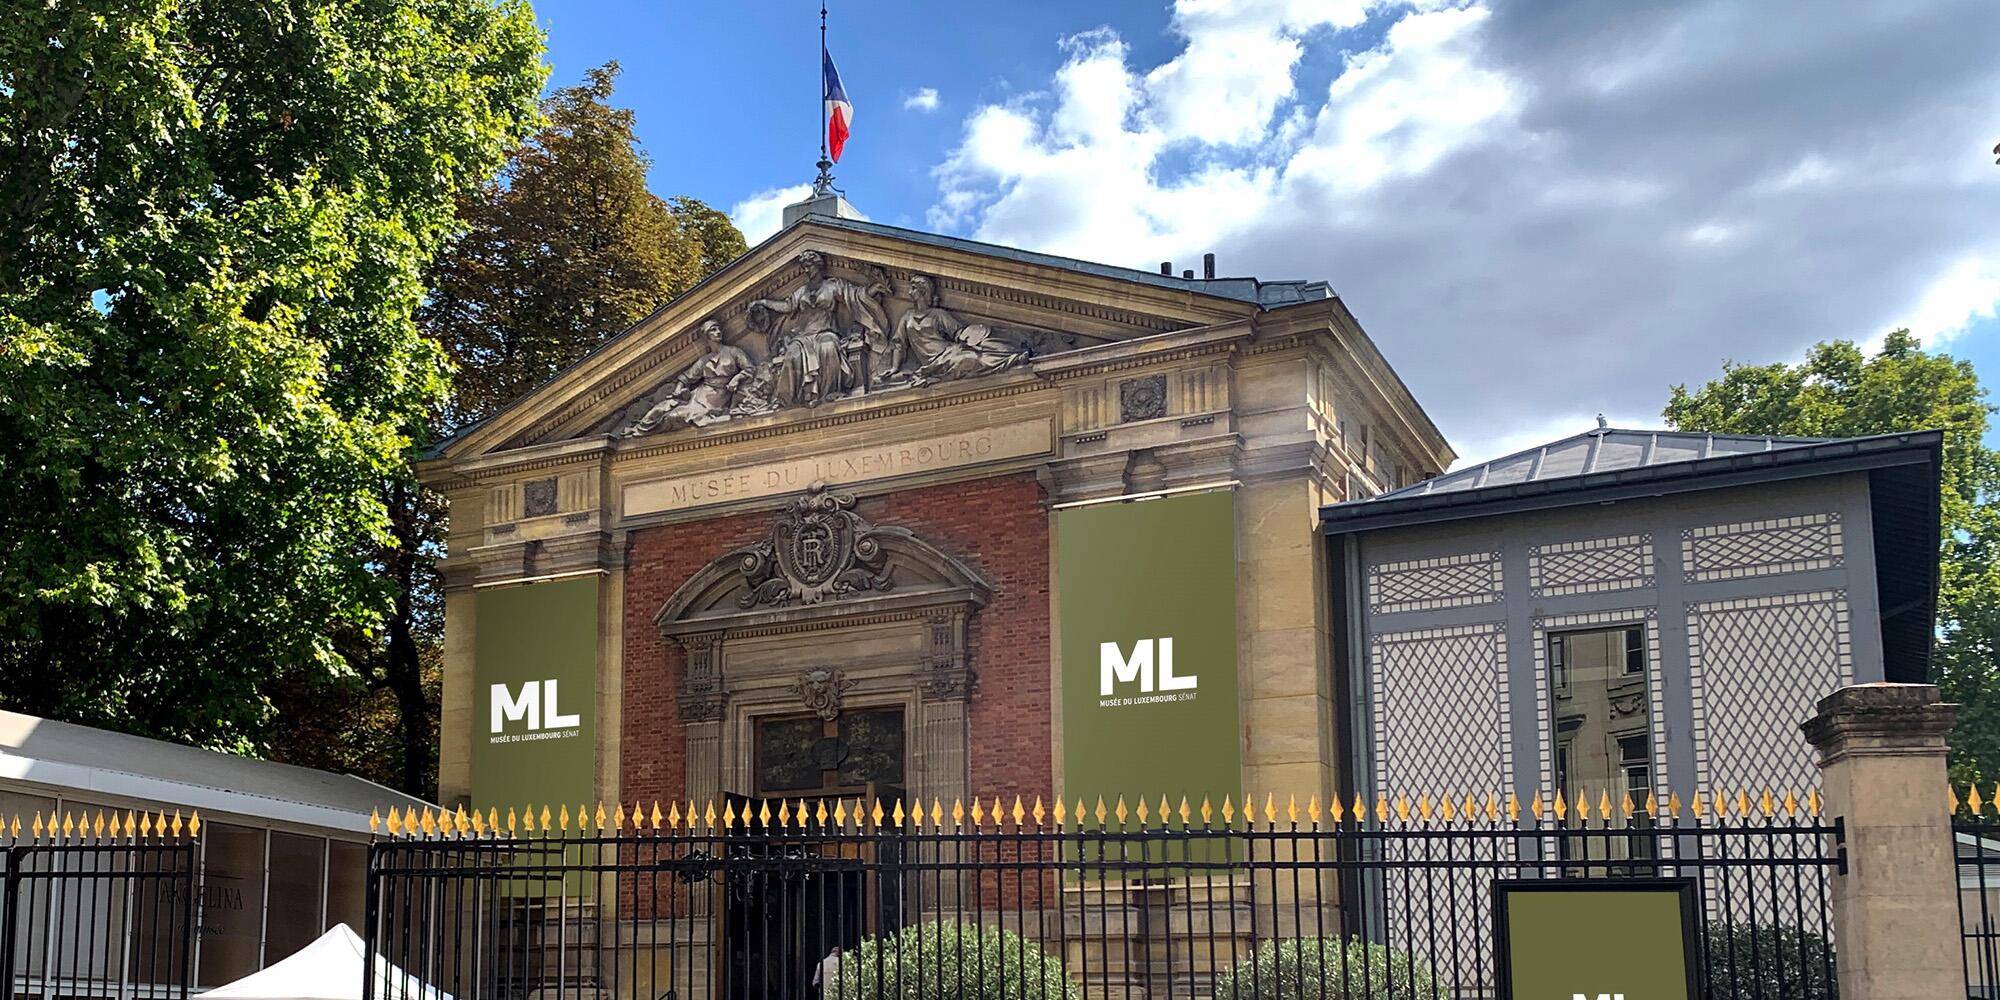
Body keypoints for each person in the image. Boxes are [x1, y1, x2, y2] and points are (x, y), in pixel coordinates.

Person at [749, 249, 889, 406]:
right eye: (804, 267)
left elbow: (854, 295)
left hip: (826, 332)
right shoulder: (802, 291)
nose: (806, 270)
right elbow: (787, 306)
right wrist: (765, 303)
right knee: (792, 354)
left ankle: (829, 394)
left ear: (818, 265)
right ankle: (784, 399)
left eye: (809, 266)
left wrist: (871, 291)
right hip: (804, 337)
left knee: (828, 348)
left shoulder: (832, 286)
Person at [620, 318, 750, 436]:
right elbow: (685, 377)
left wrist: (736, 378)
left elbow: (749, 369)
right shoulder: (704, 360)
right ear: (706, 336)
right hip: (699, 394)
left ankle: (648, 432)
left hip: (717, 397)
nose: (718, 332)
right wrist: (678, 390)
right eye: (713, 330)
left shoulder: (733, 352)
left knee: (675, 416)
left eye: (718, 329)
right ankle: (638, 430)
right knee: (661, 407)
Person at [898, 273, 1029, 386]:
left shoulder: (937, 314)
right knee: (970, 359)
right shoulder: (907, 317)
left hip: (948, 353)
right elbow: (898, 343)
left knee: (978, 353)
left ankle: (1012, 354)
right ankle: (1010, 357)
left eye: (914, 288)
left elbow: (959, 332)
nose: (909, 292)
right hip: (933, 363)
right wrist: (893, 368)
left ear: (923, 291)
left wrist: (975, 335)